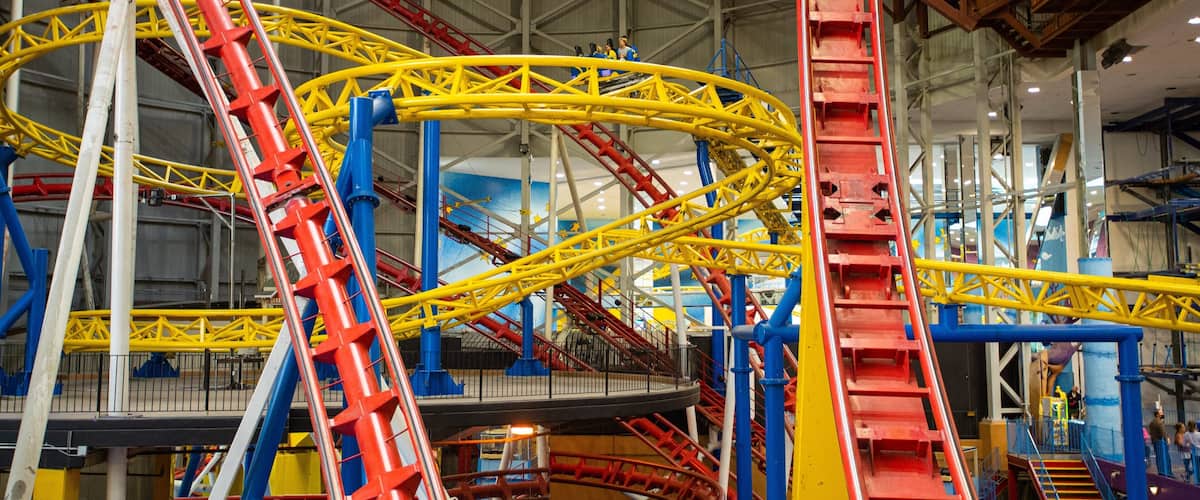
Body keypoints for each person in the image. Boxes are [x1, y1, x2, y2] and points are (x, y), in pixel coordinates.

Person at [1149, 411, 1172, 477]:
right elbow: (1163, 433)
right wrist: (1166, 440)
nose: (1162, 414)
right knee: (1165, 457)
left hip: (1155, 441)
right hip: (1161, 442)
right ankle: (1167, 472)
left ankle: (1161, 471)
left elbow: (1151, 433)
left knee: (1158, 457)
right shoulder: (1160, 422)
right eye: (1161, 413)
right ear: (1157, 415)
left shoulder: (1151, 423)